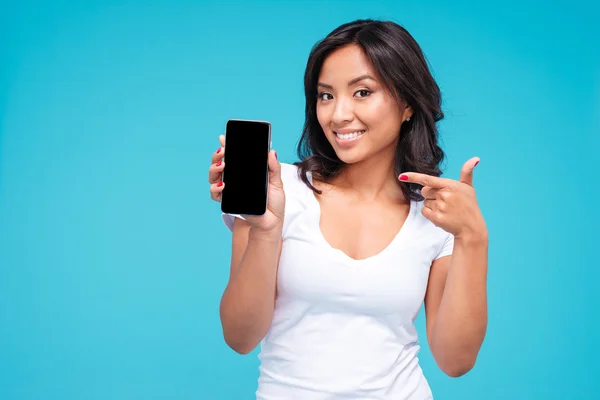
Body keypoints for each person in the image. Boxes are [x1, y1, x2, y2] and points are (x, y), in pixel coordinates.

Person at [208, 19, 488, 400]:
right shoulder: (280, 190)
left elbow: (456, 361)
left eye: (361, 92)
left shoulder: (435, 214)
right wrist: (265, 230)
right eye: (326, 95)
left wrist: (472, 237)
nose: (338, 114)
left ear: (407, 103)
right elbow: (240, 337)